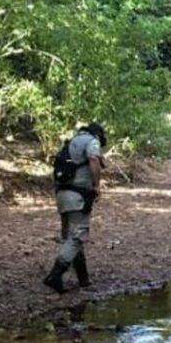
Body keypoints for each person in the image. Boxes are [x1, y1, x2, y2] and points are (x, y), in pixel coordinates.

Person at [43, 121, 107, 294]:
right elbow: (93, 159)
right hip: (78, 196)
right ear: (98, 136)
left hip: (62, 194)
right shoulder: (91, 141)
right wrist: (97, 186)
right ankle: (55, 275)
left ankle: (83, 278)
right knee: (77, 236)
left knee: (70, 236)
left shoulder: (72, 142)